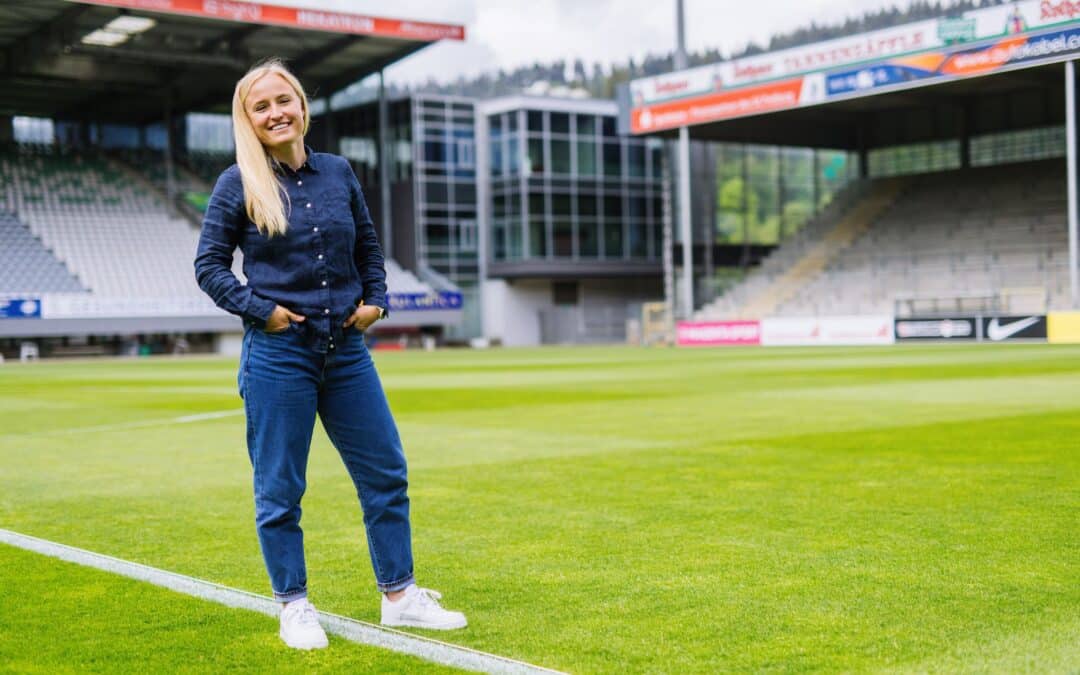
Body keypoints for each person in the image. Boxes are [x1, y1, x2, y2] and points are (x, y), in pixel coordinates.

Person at [194, 58, 466, 650]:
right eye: (260, 106)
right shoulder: (236, 183)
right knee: (280, 489)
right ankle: (293, 604)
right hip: (277, 354)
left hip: (346, 354)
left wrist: (378, 301)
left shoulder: (338, 172)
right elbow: (209, 268)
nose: (276, 113)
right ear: (247, 119)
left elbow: (368, 247)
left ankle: (399, 597)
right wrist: (259, 310)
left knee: (385, 473)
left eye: (283, 100)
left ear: (301, 105)